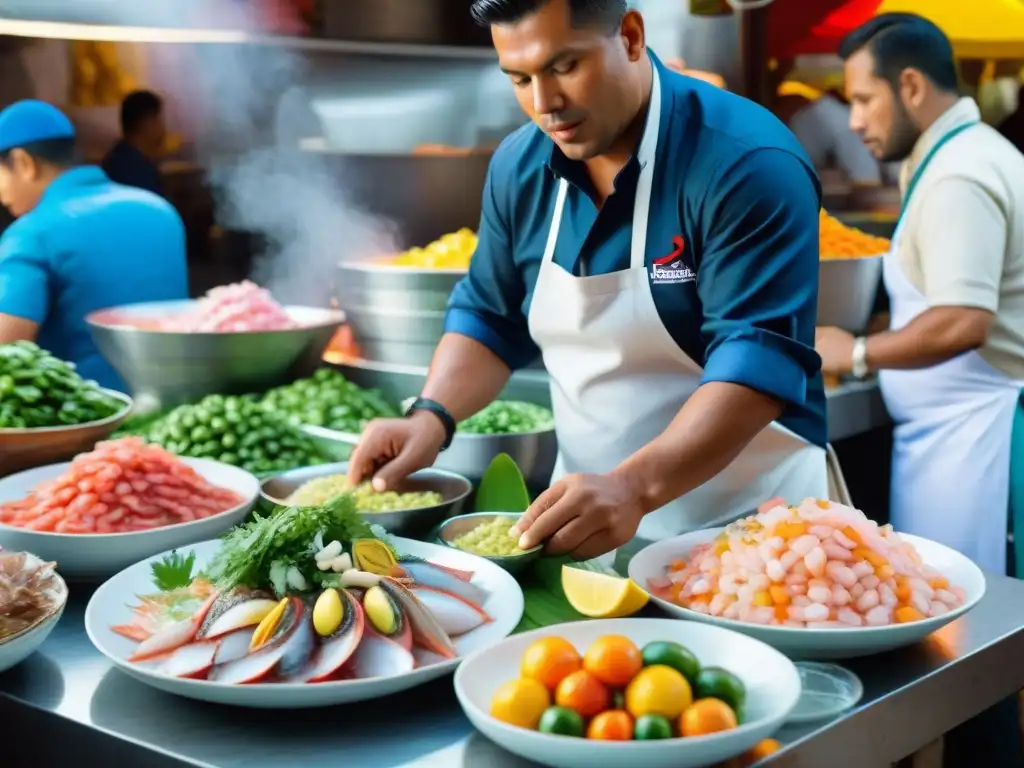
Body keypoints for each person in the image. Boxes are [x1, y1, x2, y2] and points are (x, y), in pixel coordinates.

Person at [349, 0, 829, 561]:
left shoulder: (746, 162)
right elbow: (489, 316)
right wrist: (430, 416)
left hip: (758, 534)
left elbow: (757, 363)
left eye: (564, 67)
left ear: (629, 36)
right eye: (520, 78)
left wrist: (634, 486)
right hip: (585, 527)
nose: (544, 104)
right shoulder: (519, 168)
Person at [817, 15, 1024, 766]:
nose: (855, 120)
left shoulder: (962, 170)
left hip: (982, 441)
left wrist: (858, 348)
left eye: (863, 99)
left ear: (911, 86)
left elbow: (965, 320)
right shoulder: (950, 156)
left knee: (977, 652)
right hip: (946, 438)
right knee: (955, 640)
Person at [0, 100, 188, 391]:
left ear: (24, 163)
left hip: (90, 419)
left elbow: (6, 351)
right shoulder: (159, 210)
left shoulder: (30, 234)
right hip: (174, 408)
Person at [101, 90, 166, 196]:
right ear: (147, 123)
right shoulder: (136, 171)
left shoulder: (117, 158)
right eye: (158, 120)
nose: (163, 128)